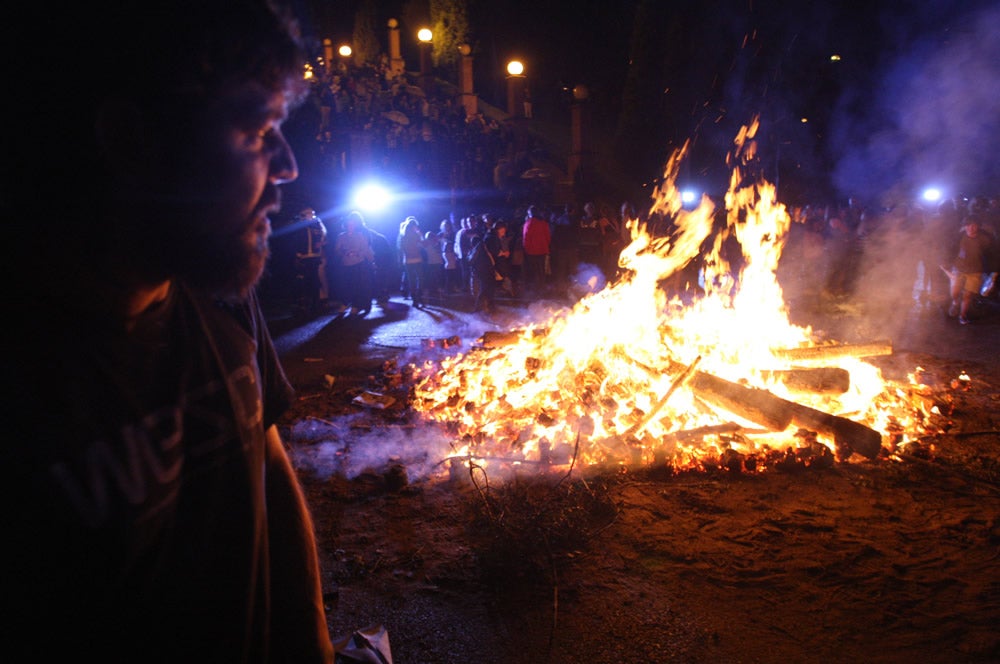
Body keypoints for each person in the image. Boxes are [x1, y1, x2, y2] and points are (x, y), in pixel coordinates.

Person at [7, 1, 336, 662]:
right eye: (257, 129)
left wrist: (313, 645)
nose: (288, 166)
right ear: (130, 139)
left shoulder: (209, 283)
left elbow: (265, 463)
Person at [946, 215, 993, 325]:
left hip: (976, 270)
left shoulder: (984, 239)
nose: (971, 228)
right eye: (969, 225)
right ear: (965, 226)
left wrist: (991, 274)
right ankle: (955, 302)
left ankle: (962, 315)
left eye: (974, 225)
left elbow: (990, 255)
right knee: (955, 292)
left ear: (978, 227)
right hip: (958, 268)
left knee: (968, 295)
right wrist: (947, 266)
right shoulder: (959, 237)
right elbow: (950, 250)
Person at [333, 210, 376, 316]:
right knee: (347, 284)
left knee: (359, 285)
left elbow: (365, 248)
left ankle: (356, 306)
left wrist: (359, 254)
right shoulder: (341, 236)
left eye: (352, 224)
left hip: (359, 263)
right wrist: (344, 252)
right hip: (346, 263)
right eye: (349, 224)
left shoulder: (361, 235)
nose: (350, 226)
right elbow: (337, 250)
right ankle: (345, 303)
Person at [294, 207, 329, 313]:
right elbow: (296, 240)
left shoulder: (317, 225)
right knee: (304, 281)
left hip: (315, 257)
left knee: (315, 280)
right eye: (307, 213)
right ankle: (305, 304)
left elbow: (324, 238)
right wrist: (297, 254)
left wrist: (321, 244)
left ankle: (317, 303)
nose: (310, 215)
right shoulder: (300, 226)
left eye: (311, 213)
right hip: (303, 257)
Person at [522, 204, 552, 297]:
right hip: (542, 250)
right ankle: (541, 290)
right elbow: (548, 237)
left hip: (531, 251)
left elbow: (526, 237)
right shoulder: (544, 223)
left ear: (530, 213)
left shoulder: (529, 223)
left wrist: (526, 249)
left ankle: (534, 292)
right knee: (541, 271)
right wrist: (546, 247)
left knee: (533, 272)